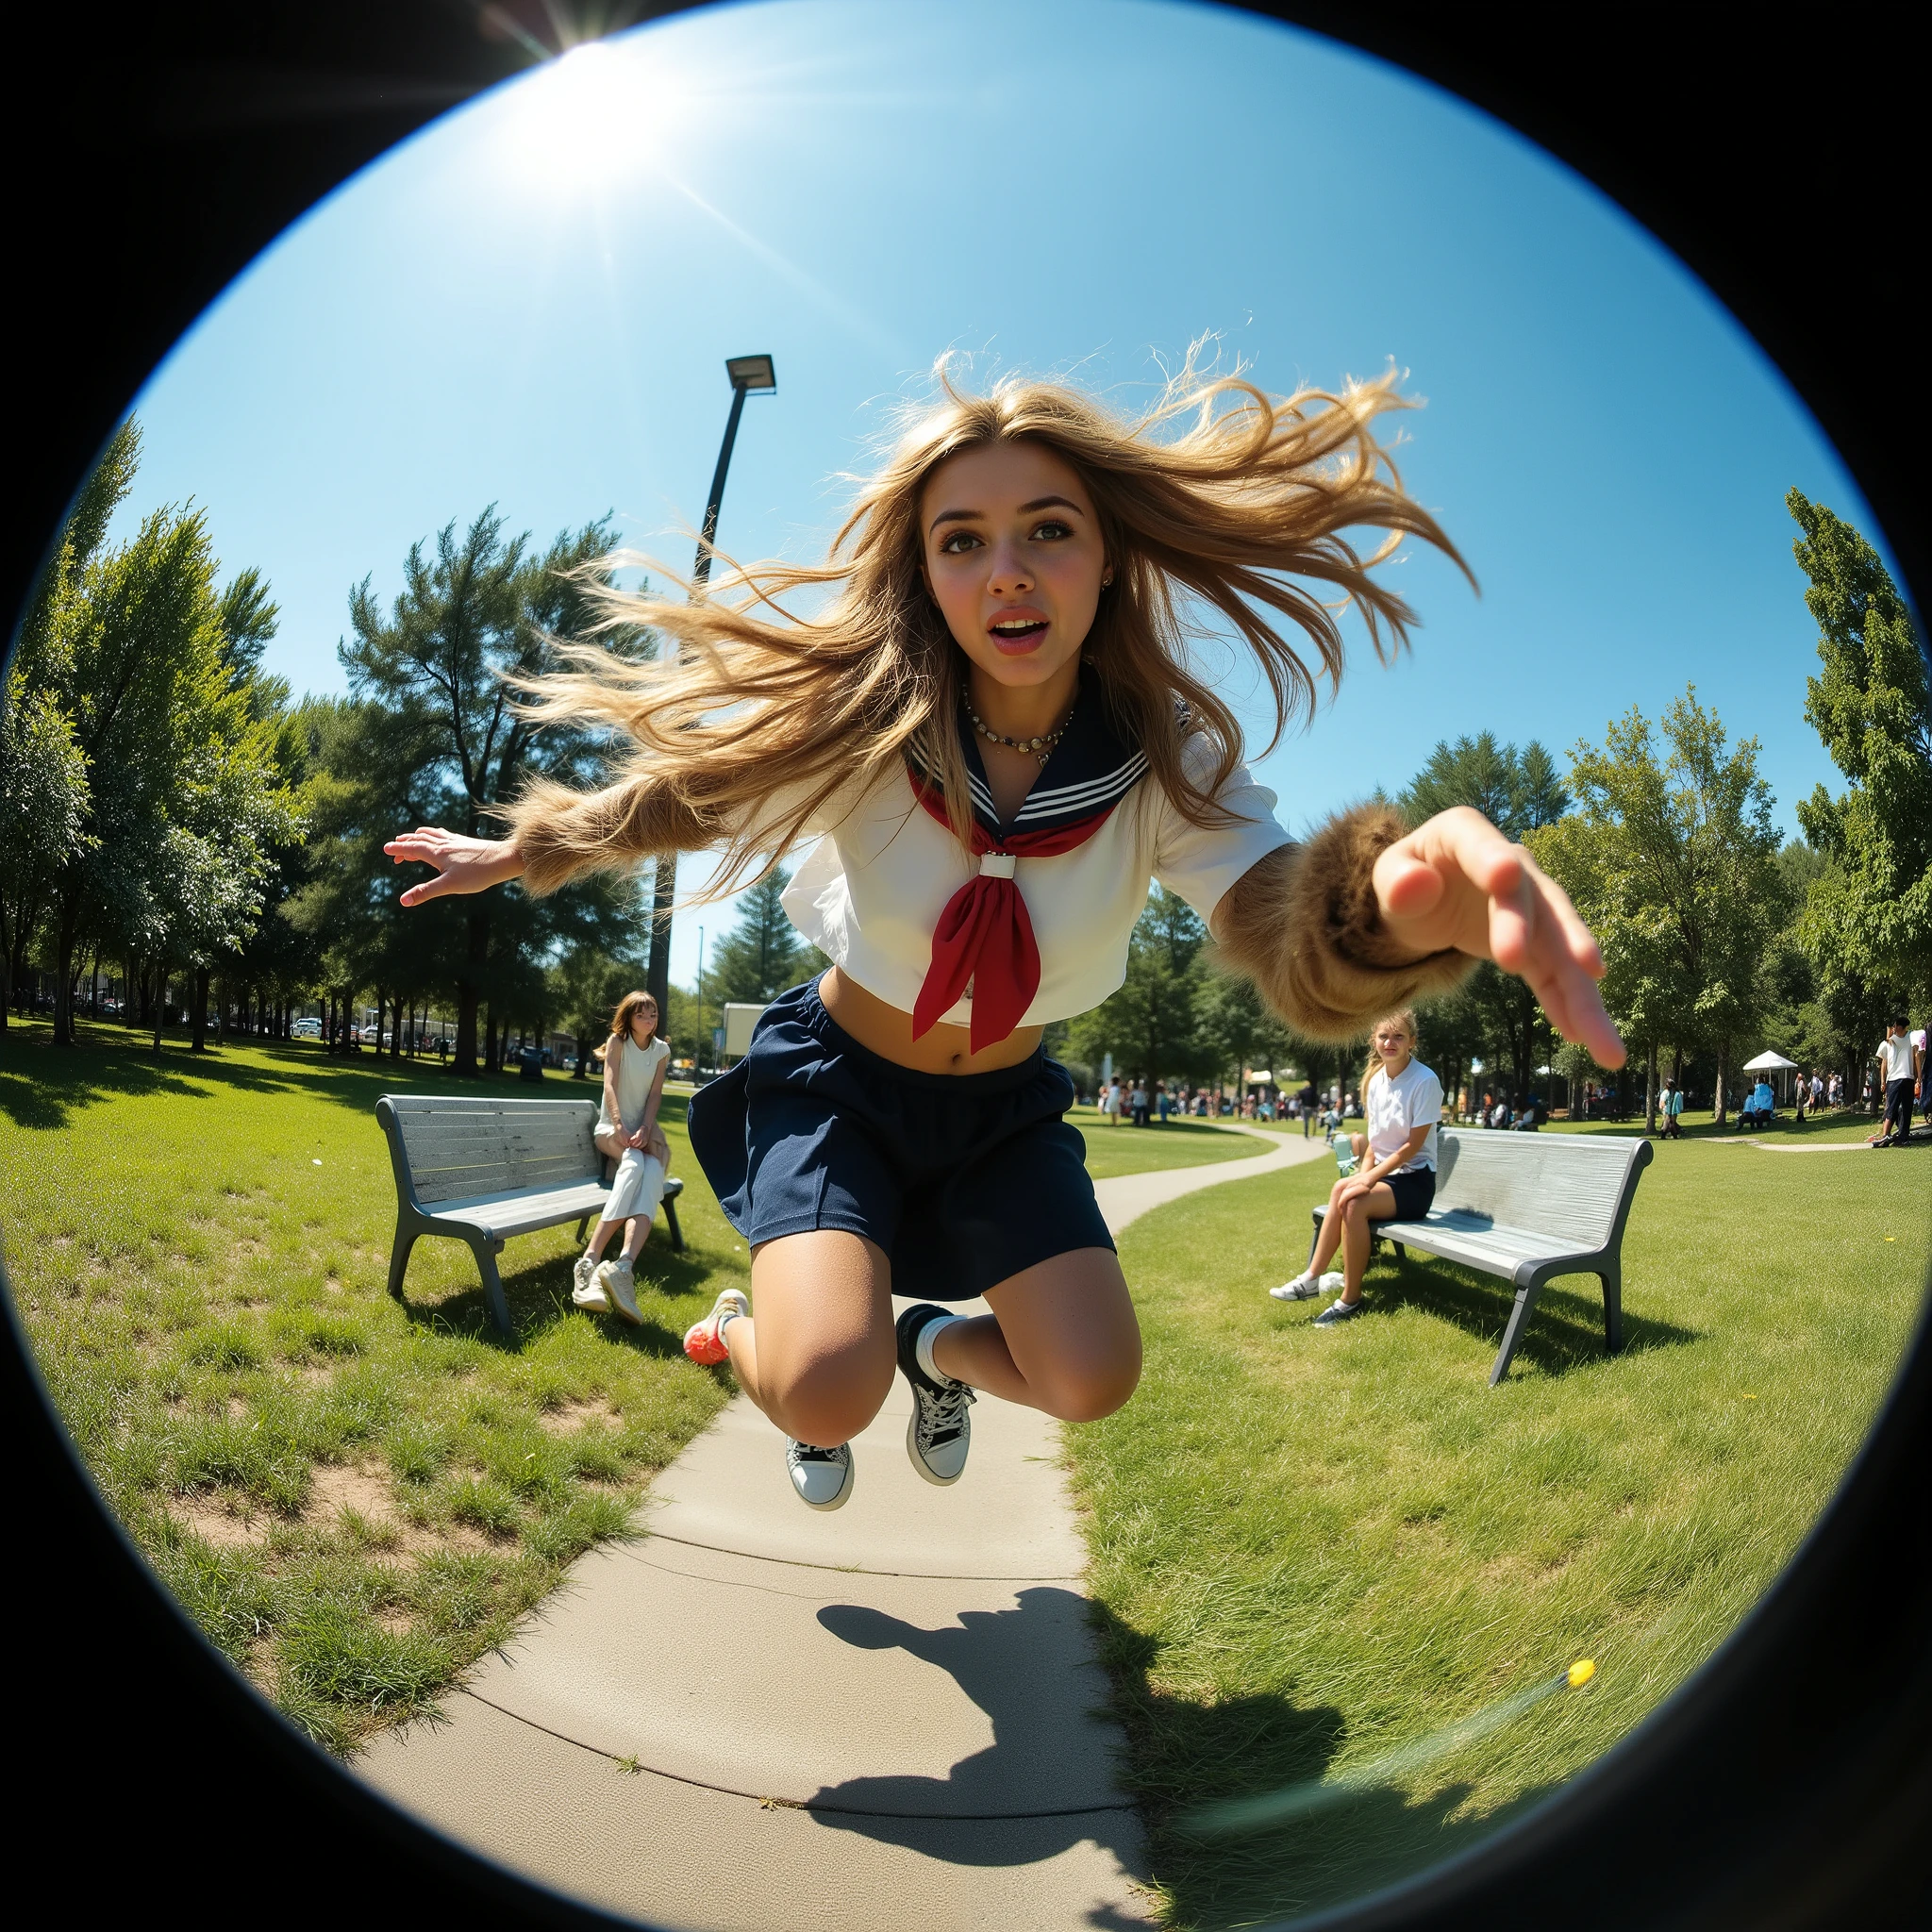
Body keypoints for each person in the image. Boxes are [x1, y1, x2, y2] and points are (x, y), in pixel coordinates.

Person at [386, 362, 1619, 1512]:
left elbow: (1274, 912)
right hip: (839, 1089)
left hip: (1003, 1112)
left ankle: (933, 1346)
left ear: (1108, 560)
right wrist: (524, 848)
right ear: (924, 573)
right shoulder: (863, 727)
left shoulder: (1162, 764)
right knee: (823, 1386)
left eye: (1049, 528)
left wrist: (1384, 906)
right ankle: (742, 1330)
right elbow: (689, 796)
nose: (1007, 571)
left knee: (1091, 1378)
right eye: (961, 541)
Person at [1272, 1008, 1443, 1319]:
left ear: (1412, 1041)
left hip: (1415, 1182)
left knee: (1353, 1204)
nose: (1390, 1042)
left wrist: (1367, 1180)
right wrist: (1362, 1177)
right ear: (1373, 1040)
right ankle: (1311, 1278)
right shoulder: (1377, 1081)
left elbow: (1413, 1146)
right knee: (1342, 1187)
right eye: (1384, 1036)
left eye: (1399, 1036)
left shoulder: (1424, 1081)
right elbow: (1374, 1144)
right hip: (1386, 1178)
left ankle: (1350, 1299)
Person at [571, 990, 673, 1323]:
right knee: (633, 1163)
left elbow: (655, 1095)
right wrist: (618, 1124)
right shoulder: (617, 1042)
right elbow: (610, 1084)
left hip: (642, 1132)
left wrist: (645, 1128)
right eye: (642, 1014)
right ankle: (588, 1260)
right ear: (629, 1017)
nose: (649, 1019)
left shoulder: (661, 1051)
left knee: (653, 1169)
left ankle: (623, 1266)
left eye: (653, 1014)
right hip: (610, 1131)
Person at [1871, 1016, 1920, 1147]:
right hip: (1893, 1079)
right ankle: (1885, 1136)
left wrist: (1917, 1076)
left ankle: (1903, 1137)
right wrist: (1883, 1081)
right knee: (1891, 1108)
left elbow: (1916, 1055)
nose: (1893, 1028)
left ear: (1900, 1027)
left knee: (1906, 1109)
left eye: (1895, 1026)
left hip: (1907, 1077)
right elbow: (1884, 1063)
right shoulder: (1889, 1042)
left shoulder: (1911, 1037)